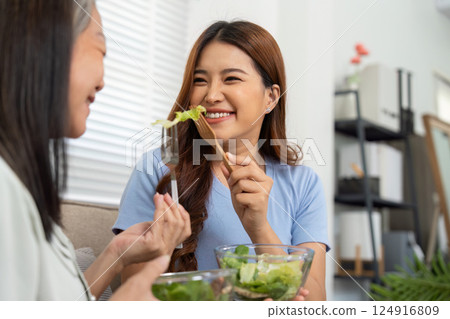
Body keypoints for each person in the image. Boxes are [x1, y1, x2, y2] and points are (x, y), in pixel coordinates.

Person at [113, 21, 330, 300]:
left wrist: (259, 227)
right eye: (200, 80)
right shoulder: (157, 168)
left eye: (231, 79)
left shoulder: (303, 183)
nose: (211, 95)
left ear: (271, 97)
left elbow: (313, 303)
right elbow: (129, 295)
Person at [0, 0, 190, 301]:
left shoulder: (22, 190)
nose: (102, 82)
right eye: (101, 51)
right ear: (46, 46)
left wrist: (116, 253)